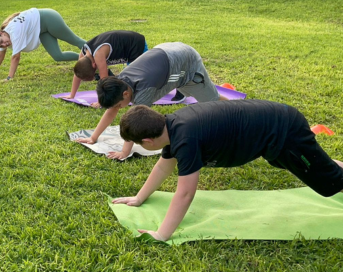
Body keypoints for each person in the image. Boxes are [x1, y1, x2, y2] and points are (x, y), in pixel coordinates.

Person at [112, 101, 343, 242]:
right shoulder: (173, 126)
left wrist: (162, 234)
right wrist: (139, 197)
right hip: (274, 130)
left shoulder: (186, 140)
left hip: (284, 130)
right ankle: (325, 165)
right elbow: (164, 166)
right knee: (311, 167)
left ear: (148, 141)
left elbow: (185, 194)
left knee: (329, 184)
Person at [74, 42, 227, 160]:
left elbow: (136, 124)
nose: (119, 108)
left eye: (120, 105)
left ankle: (237, 110)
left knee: (212, 102)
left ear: (126, 94)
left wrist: (124, 151)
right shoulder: (119, 83)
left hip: (187, 62)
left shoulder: (144, 91)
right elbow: (111, 109)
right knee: (194, 94)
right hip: (169, 55)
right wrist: (93, 137)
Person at [0, 8, 86, 81]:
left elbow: (15, 57)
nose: (4, 45)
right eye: (1, 46)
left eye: (2, 42)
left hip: (48, 19)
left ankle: (99, 55)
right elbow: (1, 54)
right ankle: (87, 61)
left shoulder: (14, 32)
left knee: (75, 40)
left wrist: (9, 77)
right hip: (41, 30)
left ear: (2, 33)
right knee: (58, 56)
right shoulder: (6, 36)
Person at [66, 30, 151, 105]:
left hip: (135, 44)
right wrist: (72, 95)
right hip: (125, 45)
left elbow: (104, 81)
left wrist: (100, 102)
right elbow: (77, 73)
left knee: (138, 76)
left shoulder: (98, 55)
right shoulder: (83, 54)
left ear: (94, 65)